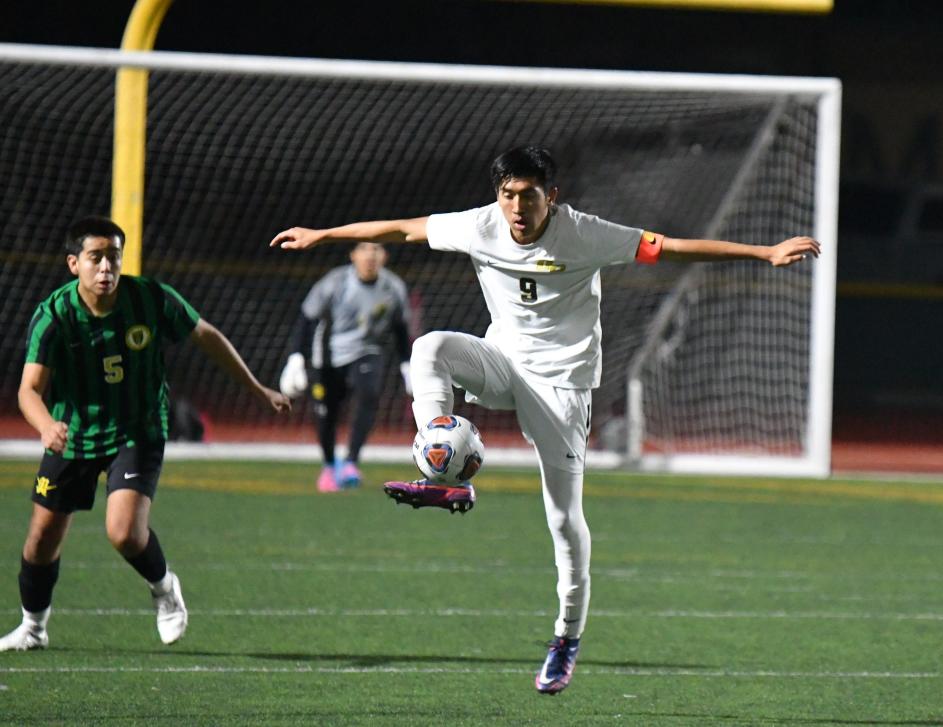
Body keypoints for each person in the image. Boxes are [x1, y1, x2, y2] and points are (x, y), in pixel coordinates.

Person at [269, 145, 820, 694]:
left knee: (563, 519)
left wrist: (762, 253)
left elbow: (672, 247)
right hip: (502, 362)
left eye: (527, 196)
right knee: (430, 347)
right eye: (507, 194)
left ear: (551, 197)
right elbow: (403, 230)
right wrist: (323, 236)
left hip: (561, 388)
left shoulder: (585, 234)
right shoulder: (479, 225)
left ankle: (566, 637)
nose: (515, 207)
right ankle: (442, 469)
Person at [0, 216, 290, 653]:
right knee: (41, 539)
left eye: (114, 257)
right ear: (73, 263)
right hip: (75, 434)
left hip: (137, 430)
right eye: (95, 258)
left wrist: (256, 388)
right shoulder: (55, 316)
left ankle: (164, 588)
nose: (106, 268)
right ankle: (33, 628)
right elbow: (29, 390)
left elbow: (206, 336)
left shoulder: (150, 298)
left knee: (124, 533)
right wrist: (45, 425)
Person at [278, 241, 412, 492]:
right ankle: (329, 466)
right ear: (353, 255)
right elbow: (307, 319)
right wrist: (296, 358)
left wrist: (407, 365)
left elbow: (400, 328)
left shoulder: (393, 287)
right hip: (327, 358)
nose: (370, 256)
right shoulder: (334, 282)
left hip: (366, 352)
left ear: (385, 255)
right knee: (326, 414)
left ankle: (351, 462)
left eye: (376, 250)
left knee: (368, 395)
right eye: (364, 249)